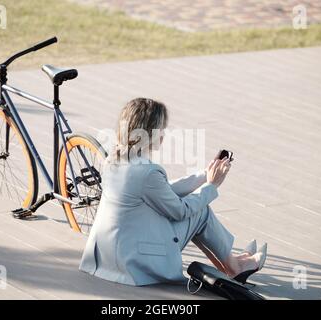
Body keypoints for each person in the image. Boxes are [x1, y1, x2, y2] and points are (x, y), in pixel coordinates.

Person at [79, 98, 267, 286]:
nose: (163, 135)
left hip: (105, 256)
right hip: (136, 262)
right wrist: (212, 185)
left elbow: (162, 190)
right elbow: (180, 211)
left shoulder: (113, 160)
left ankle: (231, 265)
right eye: (161, 129)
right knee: (200, 211)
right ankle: (235, 267)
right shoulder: (148, 172)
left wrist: (204, 175)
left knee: (196, 203)